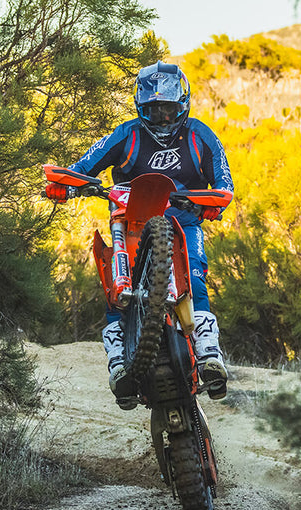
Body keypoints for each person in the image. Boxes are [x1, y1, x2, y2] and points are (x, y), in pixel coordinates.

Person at [45, 61, 234, 408]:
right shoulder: (126, 135)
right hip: (128, 218)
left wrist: (214, 203)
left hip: (182, 218)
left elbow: (224, 181)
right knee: (115, 286)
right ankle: (119, 364)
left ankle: (209, 354)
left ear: (183, 105)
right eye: (153, 110)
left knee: (194, 274)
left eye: (168, 110)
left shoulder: (201, 135)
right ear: (140, 108)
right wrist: (66, 185)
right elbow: (82, 167)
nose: (162, 117)